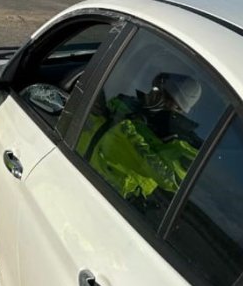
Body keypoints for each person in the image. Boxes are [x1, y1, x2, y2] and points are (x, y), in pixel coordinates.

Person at [78, 73, 202, 201]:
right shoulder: (129, 105)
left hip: (105, 194)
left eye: (160, 93)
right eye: (155, 88)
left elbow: (174, 181)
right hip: (76, 162)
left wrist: (128, 132)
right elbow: (95, 126)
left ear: (175, 107)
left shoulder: (174, 140)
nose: (153, 94)